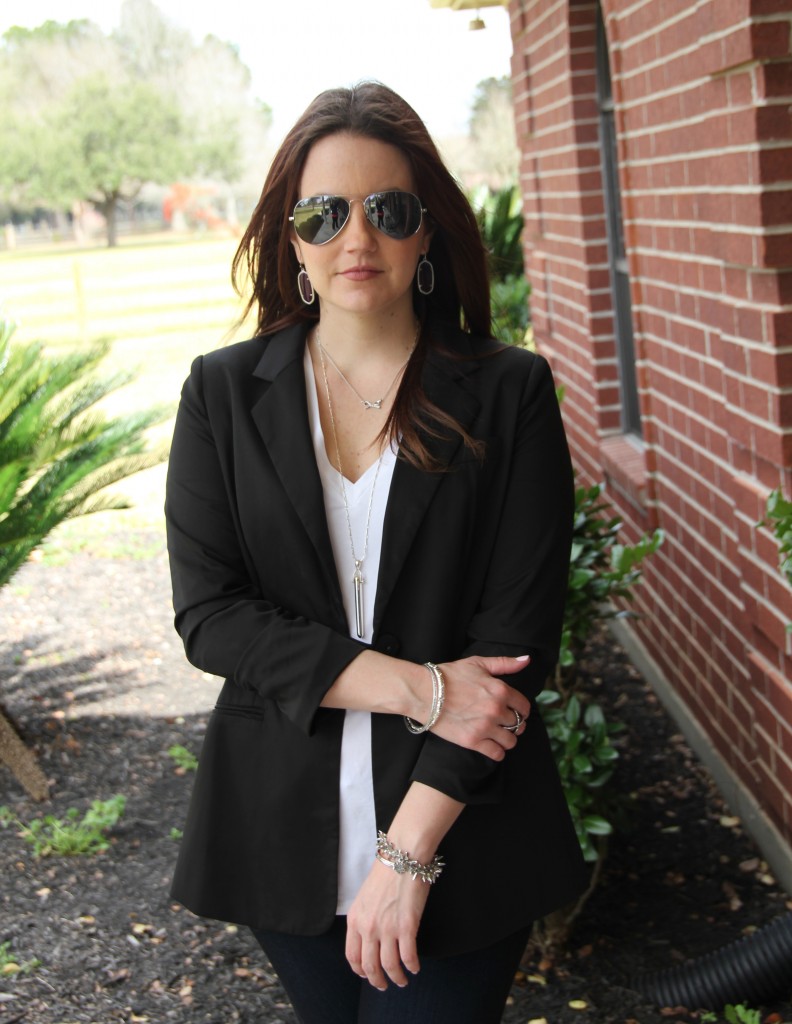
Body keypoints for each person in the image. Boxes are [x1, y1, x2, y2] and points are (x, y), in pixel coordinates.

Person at [165, 81, 588, 1024]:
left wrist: (406, 858)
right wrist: (419, 686)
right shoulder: (221, 395)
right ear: (291, 239)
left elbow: (515, 642)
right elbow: (212, 615)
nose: (356, 239)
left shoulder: (509, 391)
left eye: (387, 211)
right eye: (323, 213)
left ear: (426, 232)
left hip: (462, 827)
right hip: (282, 833)